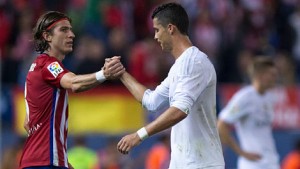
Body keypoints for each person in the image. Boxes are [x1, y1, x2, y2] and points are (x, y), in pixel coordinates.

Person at [115, 3, 225, 169]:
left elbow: (180, 110)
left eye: (157, 30)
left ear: (171, 28)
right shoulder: (178, 67)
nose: (155, 36)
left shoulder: (194, 62)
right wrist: (121, 73)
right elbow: (151, 101)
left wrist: (139, 135)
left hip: (202, 164)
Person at [19, 11, 124, 169]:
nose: (72, 35)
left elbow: (28, 123)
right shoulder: (48, 65)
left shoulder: (37, 67)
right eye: (64, 30)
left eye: (71, 30)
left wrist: (62, 160)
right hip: (44, 162)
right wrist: (105, 74)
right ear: (47, 36)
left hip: (42, 160)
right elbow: (74, 83)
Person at [217, 57, 280, 169]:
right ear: (260, 75)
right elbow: (221, 125)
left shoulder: (270, 97)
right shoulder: (244, 97)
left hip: (271, 161)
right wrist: (241, 152)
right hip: (253, 164)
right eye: (272, 74)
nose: (275, 78)